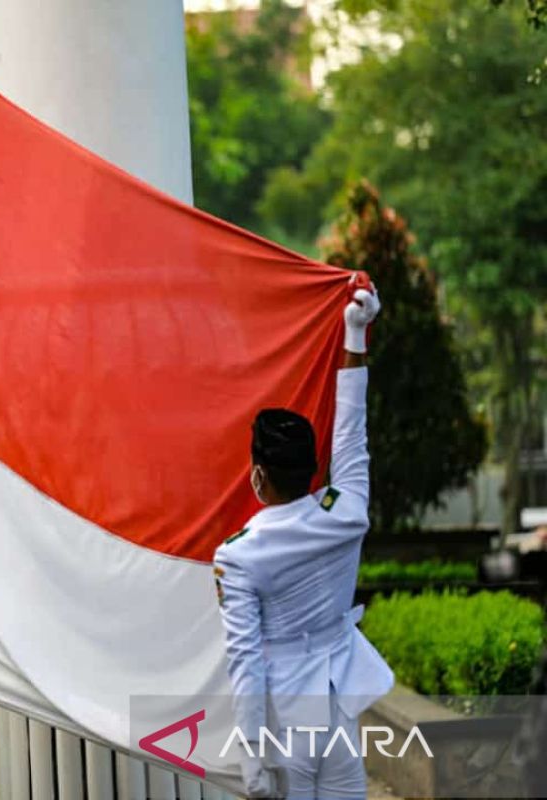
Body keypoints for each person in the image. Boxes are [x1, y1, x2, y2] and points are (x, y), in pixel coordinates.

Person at [214, 277, 393, 799]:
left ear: (257, 477)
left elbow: (244, 662)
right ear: (315, 471)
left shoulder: (239, 557)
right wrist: (353, 336)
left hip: (285, 721)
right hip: (337, 708)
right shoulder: (347, 513)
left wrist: (251, 759)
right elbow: (352, 433)